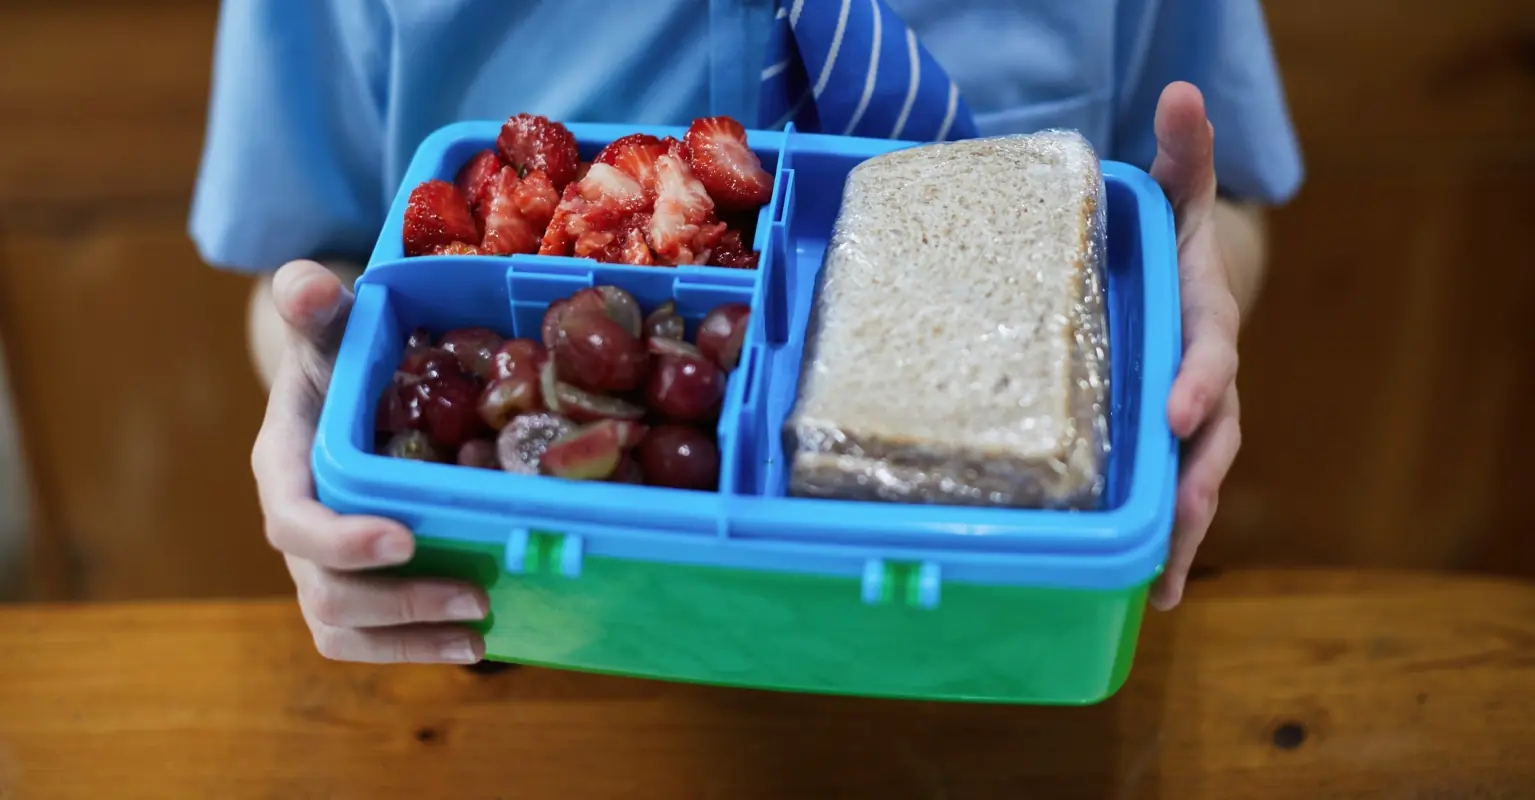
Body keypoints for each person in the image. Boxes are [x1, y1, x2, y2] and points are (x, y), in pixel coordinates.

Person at [192, 0, 1302, 665]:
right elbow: (318, 273)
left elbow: (1211, 215)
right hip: (555, 652)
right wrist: (321, 388)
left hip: (999, 644)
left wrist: (1193, 289)